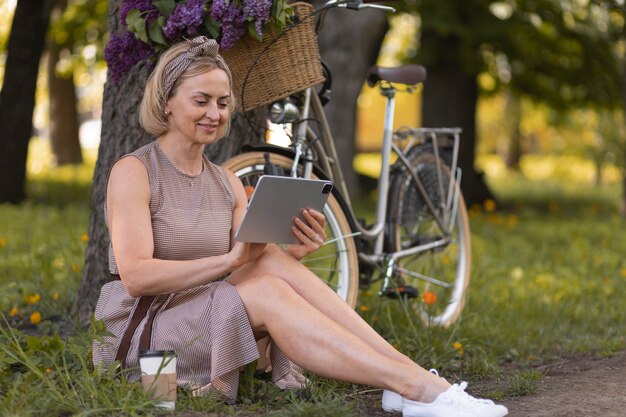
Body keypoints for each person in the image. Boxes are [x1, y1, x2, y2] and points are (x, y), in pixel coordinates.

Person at [92, 36, 508, 417]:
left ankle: (413, 379)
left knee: (272, 261)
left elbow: (248, 264)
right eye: (201, 101)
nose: (214, 114)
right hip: (144, 338)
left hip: (201, 316)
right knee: (268, 283)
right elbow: (137, 277)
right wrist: (231, 259)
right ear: (166, 101)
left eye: (222, 103)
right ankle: (411, 385)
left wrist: (290, 253)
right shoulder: (135, 171)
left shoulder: (228, 183)